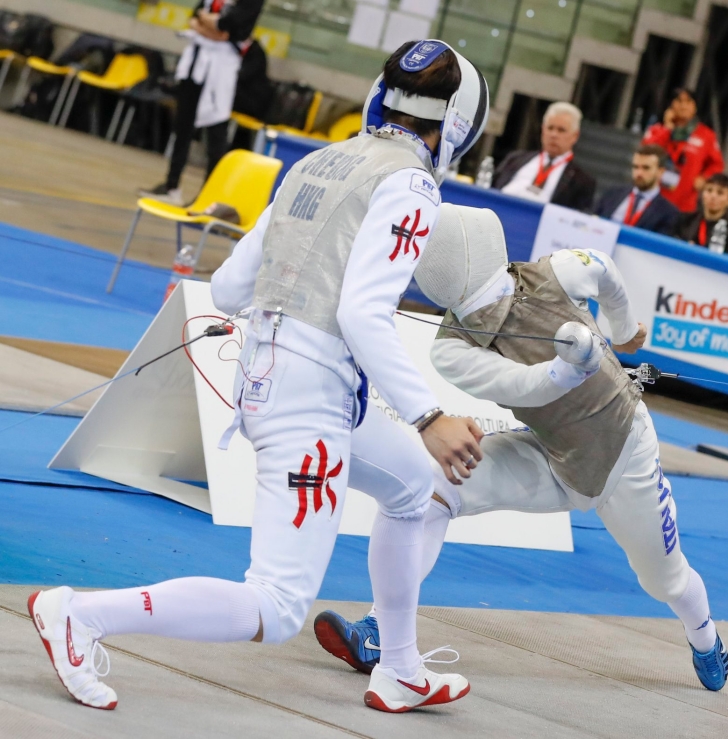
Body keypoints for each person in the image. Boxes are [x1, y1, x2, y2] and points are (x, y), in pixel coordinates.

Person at [27, 40, 490, 714]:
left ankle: (400, 667)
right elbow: (363, 312)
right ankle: (81, 613)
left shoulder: (318, 161)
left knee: (414, 484)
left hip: (280, 378)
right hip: (312, 396)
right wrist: (430, 416)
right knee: (276, 605)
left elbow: (229, 285)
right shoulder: (412, 184)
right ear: (457, 127)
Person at [314, 203, 728, 694]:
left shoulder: (555, 270)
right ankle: (383, 630)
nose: (495, 308)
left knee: (665, 580)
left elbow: (607, 270)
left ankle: (705, 638)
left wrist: (622, 329)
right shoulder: (452, 346)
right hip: (551, 456)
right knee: (432, 491)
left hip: (623, 454)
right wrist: (571, 366)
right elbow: (526, 386)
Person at [140, 0, 264, 205]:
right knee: (183, 124)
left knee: (216, 131)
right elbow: (195, 17)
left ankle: (209, 196)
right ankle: (171, 186)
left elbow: (226, 29)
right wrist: (208, 24)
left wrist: (207, 24)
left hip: (221, 69)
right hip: (197, 63)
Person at [492, 102, 596, 212]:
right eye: (550, 128)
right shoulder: (515, 159)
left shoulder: (582, 181)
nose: (554, 135)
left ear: (575, 136)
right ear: (543, 130)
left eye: (561, 130)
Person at [642, 88, 724, 213]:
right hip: (650, 198)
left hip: (684, 203)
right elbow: (645, 152)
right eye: (679, 101)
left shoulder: (706, 135)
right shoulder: (657, 129)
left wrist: (705, 178)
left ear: (695, 107)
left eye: (688, 101)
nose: (683, 105)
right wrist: (667, 128)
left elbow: (717, 165)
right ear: (670, 105)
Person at [595, 144, 679, 236]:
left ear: (660, 172)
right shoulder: (612, 194)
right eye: (635, 167)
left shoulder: (668, 213)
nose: (639, 173)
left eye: (646, 168)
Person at [676, 173, 728, 258]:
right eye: (709, 190)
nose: (713, 196)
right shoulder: (685, 221)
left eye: (720, 193)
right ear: (702, 194)